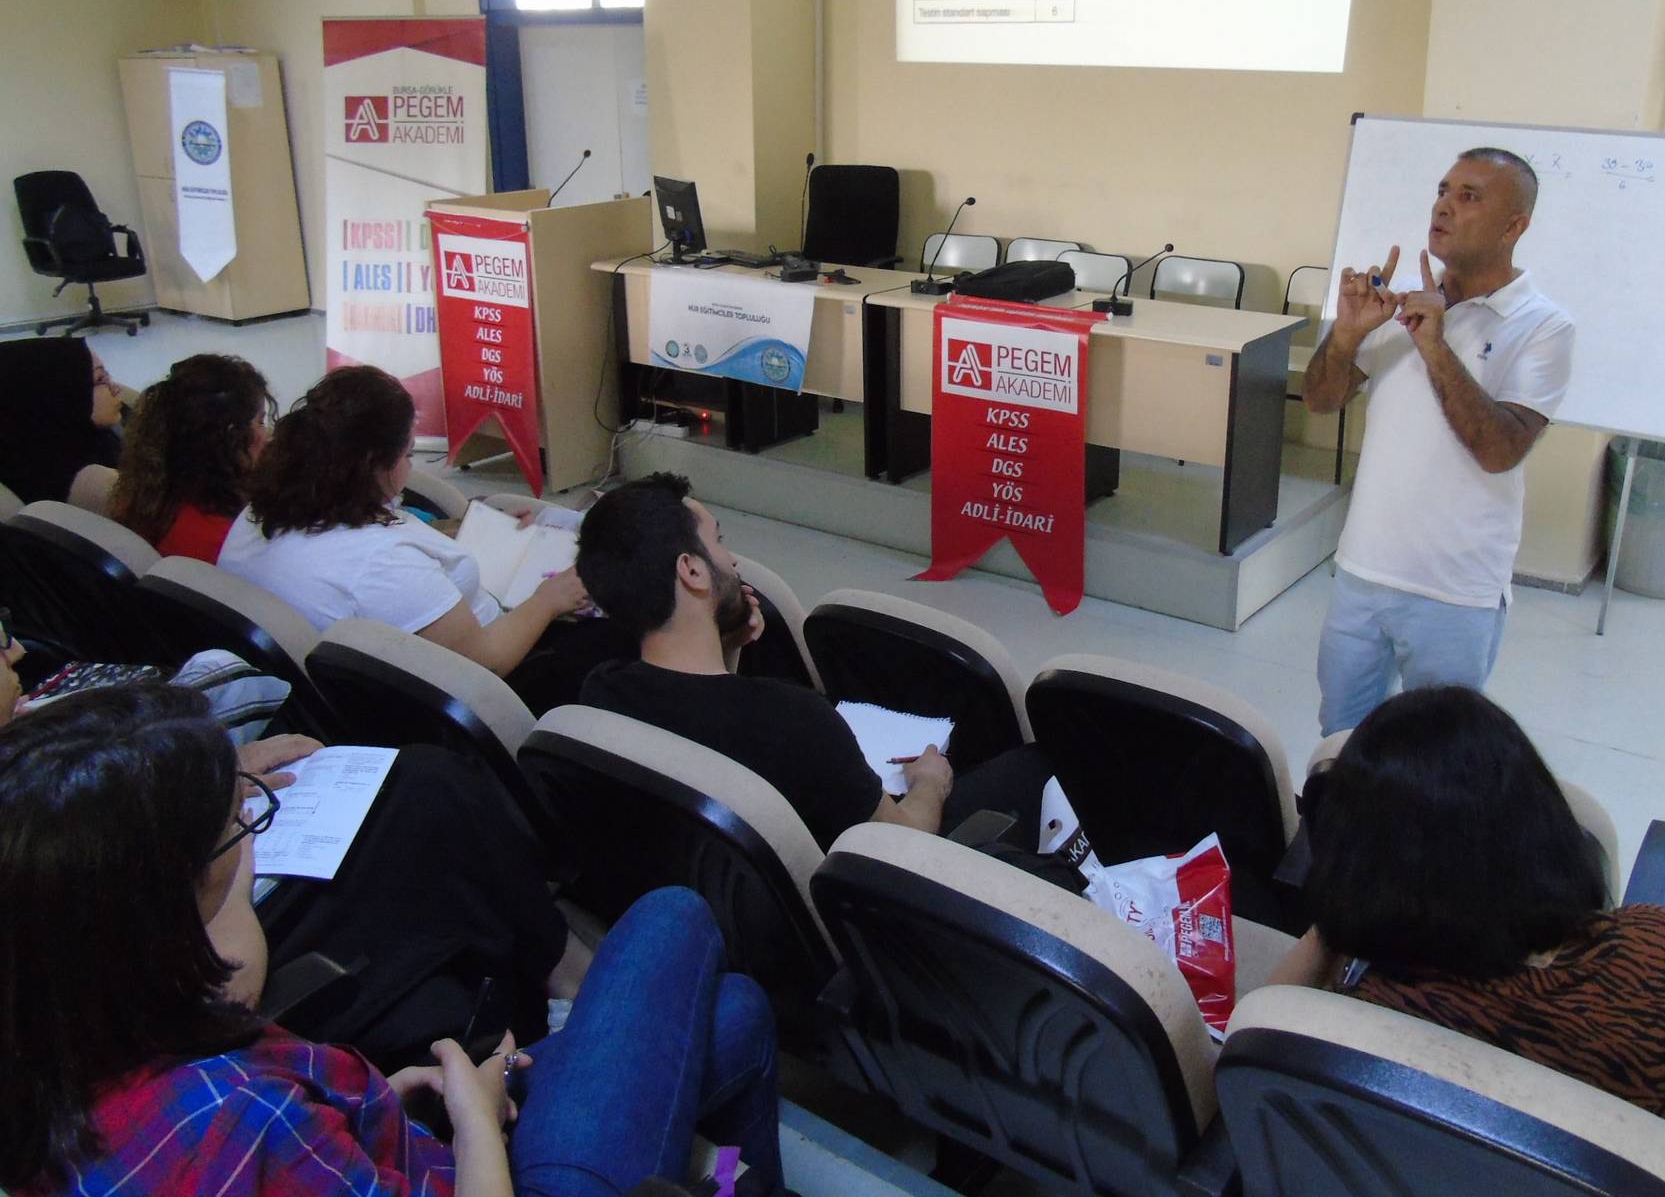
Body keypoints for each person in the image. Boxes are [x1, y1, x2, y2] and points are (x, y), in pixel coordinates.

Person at [0, 683, 786, 1196]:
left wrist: (375, 1105)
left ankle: (728, 1180)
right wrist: (476, 1125)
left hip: (407, 1147)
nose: (251, 844)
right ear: (162, 917)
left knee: (735, 1017)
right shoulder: (237, 1121)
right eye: (237, 827)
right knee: (674, 919)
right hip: (491, 1177)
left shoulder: (63, 1050)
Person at [1272, 687, 1665, 1194]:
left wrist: (1342, 910)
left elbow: (1255, 1039)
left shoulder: (1366, 1027)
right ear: (1543, 819)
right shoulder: (1664, 959)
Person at [575, 473, 1053, 850]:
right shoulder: (792, 721)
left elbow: (710, 709)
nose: (733, 559)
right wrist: (929, 784)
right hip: (848, 905)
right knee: (1034, 766)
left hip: (716, 896)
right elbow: (901, 839)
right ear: (693, 570)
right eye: (718, 541)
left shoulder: (602, 692)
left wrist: (729, 647)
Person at [1303, 148, 1575, 735]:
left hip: (1454, 589)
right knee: (1342, 740)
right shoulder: (1399, 304)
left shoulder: (1544, 326)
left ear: (1514, 227)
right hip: (1363, 568)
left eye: (1469, 196)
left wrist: (1436, 346)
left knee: (1436, 754)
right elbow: (1321, 400)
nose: (1444, 207)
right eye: (1443, 191)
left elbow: (1500, 450)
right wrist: (1346, 336)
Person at [219, 365, 593, 682]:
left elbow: (388, 539)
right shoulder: (382, 565)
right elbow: (484, 661)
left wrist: (471, 531)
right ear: (374, 465)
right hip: (503, 662)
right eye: (407, 455)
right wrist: (548, 600)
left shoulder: (261, 511)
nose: (410, 467)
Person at [111, 352, 274, 561]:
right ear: (230, 437)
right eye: (260, 422)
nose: (267, 436)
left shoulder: (150, 496)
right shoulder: (229, 541)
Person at [0, 336, 127, 506]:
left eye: (107, 375)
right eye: (100, 379)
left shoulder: (88, 437)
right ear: (63, 395)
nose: (115, 388)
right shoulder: (91, 481)